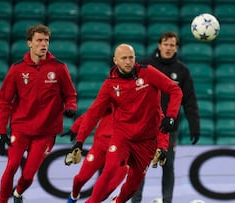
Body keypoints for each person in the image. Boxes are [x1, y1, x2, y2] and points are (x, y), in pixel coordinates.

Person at [74, 44, 182, 203]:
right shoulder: (110, 85)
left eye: (131, 57)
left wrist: (171, 117)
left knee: (132, 186)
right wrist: (79, 141)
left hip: (146, 142)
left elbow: (175, 90)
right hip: (122, 137)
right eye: (124, 58)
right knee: (110, 169)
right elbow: (93, 114)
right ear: (115, 60)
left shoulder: (148, 73)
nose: (128, 61)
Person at [0, 24, 77, 203]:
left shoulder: (59, 67)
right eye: (39, 40)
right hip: (21, 128)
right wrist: (1, 132)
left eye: (46, 40)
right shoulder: (17, 69)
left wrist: (70, 107)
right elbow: (3, 101)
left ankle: (18, 193)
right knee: (11, 167)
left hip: (46, 132)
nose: (44, 44)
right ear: (29, 43)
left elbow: (70, 94)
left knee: (29, 175)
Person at [132, 31, 200, 203]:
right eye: (166, 44)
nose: (168, 48)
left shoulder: (182, 71)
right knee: (140, 166)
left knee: (168, 165)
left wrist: (195, 125)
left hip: (169, 128)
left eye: (172, 45)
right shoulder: (145, 65)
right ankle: (135, 200)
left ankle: (167, 201)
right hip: (145, 126)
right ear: (159, 45)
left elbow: (189, 100)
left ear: (176, 48)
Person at [62, 107, 129, 203]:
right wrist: (76, 127)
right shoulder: (116, 95)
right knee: (80, 179)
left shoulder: (144, 102)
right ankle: (74, 196)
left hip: (123, 150)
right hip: (101, 145)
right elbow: (93, 112)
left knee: (106, 191)